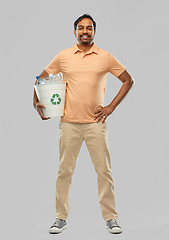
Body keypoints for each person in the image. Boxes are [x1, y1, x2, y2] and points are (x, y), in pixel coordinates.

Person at [33, 14, 134, 234]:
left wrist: (111, 107)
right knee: (64, 172)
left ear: (94, 31)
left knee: (104, 171)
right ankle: (60, 218)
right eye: (81, 28)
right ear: (75, 31)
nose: (85, 31)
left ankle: (111, 218)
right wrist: (36, 99)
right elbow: (40, 78)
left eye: (89, 28)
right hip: (68, 123)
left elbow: (128, 80)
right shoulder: (63, 56)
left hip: (95, 123)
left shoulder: (105, 56)